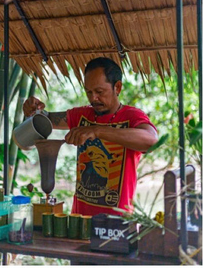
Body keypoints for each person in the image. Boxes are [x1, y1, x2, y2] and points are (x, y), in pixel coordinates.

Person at [23, 57, 158, 216]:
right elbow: (44, 120)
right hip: (80, 219)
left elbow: (152, 140)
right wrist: (33, 110)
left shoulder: (131, 117)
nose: (93, 98)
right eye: (89, 92)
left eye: (99, 92)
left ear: (118, 87)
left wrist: (98, 131)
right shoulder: (82, 115)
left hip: (117, 223)